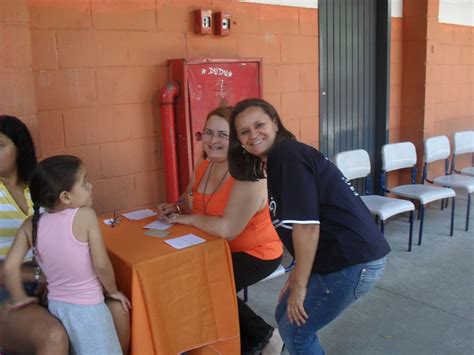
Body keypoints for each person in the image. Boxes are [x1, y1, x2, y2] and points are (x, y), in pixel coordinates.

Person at [228, 98, 391, 355]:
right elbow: (302, 224)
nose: (253, 135)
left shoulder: (287, 155)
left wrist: (301, 284)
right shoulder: (279, 159)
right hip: (337, 257)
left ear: (275, 123)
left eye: (259, 124)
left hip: (351, 260)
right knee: (285, 313)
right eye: (244, 132)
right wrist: (297, 275)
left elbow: (307, 227)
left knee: (296, 332)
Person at [157, 106, 285, 355]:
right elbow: (189, 196)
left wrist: (186, 219)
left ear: (236, 140)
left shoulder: (250, 175)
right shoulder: (204, 166)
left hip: (256, 252)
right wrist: (175, 206)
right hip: (212, 247)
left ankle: (267, 338)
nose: (213, 140)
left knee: (205, 287)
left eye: (223, 135)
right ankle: (241, 343)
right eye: (208, 132)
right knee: (181, 280)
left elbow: (227, 229)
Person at [3, 155, 131, 355]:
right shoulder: (85, 216)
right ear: (65, 197)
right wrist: (113, 291)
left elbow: (9, 267)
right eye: (85, 182)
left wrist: (20, 298)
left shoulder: (31, 224)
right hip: (89, 312)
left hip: (57, 310)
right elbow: (102, 265)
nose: (91, 186)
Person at [0, 115, 69, 354]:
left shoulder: (37, 189)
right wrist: (34, 274)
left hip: (47, 278)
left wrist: (49, 276)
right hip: (5, 290)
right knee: (52, 336)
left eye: (0, 145)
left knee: (115, 309)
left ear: (19, 149)